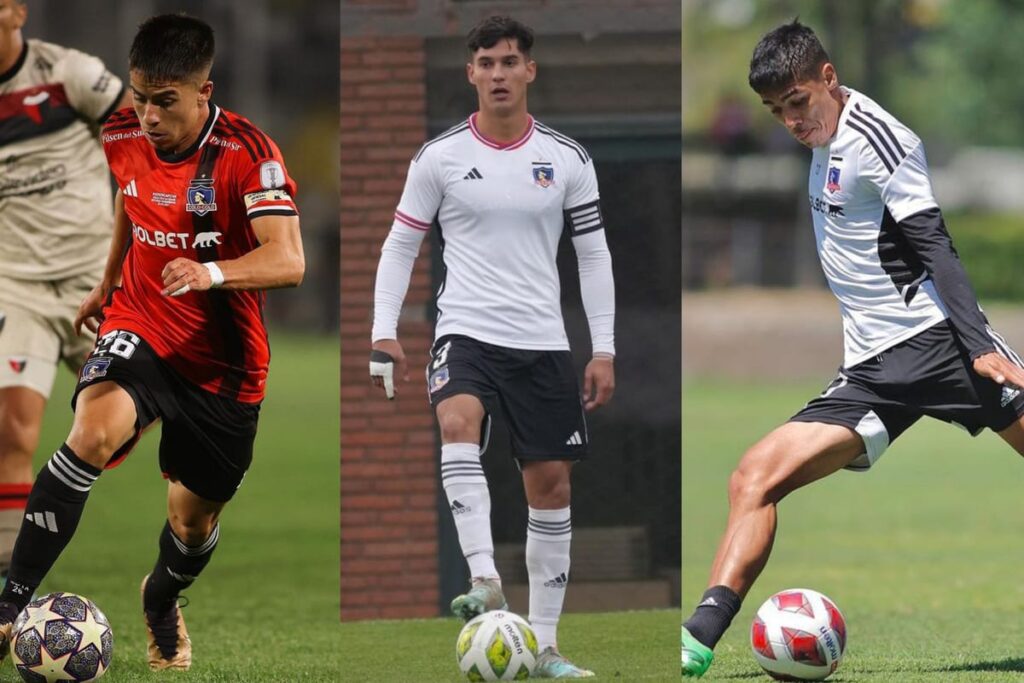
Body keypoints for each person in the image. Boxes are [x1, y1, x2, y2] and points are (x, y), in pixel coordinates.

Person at [680, 20, 1024, 677]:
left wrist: (981, 345)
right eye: (776, 111)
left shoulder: (880, 140)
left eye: (799, 102)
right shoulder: (820, 133)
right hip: (872, 370)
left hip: (936, 345)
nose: (790, 120)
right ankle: (695, 643)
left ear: (829, 78)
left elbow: (934, 243)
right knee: (753, 477)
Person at [0, 13, 304, 672]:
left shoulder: (250, 155)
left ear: (205, 91)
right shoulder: (121, 130)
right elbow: (131, 196)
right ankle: (7, 608)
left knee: (192, 526)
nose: (146, 116)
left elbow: (289, 260)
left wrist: (212, 272)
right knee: (92, 429)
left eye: (165, 102)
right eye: (139, 97)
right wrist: (108, 280)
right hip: (142, 321)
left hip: (225, 367)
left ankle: (161, 595)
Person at [369, 15, 615, 680]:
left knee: (551, 486)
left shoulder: (567, 159)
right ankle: (485, 577)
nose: (499, 73)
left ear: (529, 70)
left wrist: (603, 348)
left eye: (510, 61)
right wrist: (382, 332)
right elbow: (400, 245)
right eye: (487, 63)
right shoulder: (440, 157)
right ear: (471, 73)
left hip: (542, 340)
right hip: (466, 330)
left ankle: (547, 647)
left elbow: (592, 253)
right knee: (456, 420)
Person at [0, 0, 128, 577]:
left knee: (140, 418)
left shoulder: (67, 73)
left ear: (15, 13)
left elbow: (138, 140)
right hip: (14, 283)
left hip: (94, 278)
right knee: (12, 425)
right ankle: (9, 576)